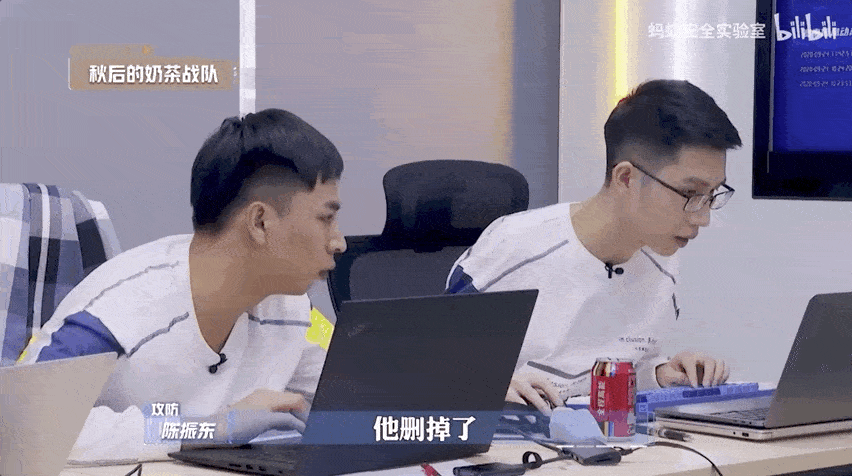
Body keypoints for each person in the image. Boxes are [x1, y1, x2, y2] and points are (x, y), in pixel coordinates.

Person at [16, 109, 346, 462]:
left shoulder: (290, 308)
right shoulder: (120, 307)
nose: (339, 242)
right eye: (326, 218)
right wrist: (203, 429)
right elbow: (24, 425)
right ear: (260, 222)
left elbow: (351, 402)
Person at [446, 80, 741, 413]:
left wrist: (660, 374)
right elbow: (426, 368)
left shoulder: (662, 261)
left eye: (711, 195)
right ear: (626, 179)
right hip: (505, 437)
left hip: (595, 437)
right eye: (690, 194)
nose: (703, 217)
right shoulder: (515, 246)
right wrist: (484, 384)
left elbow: (600, 375)